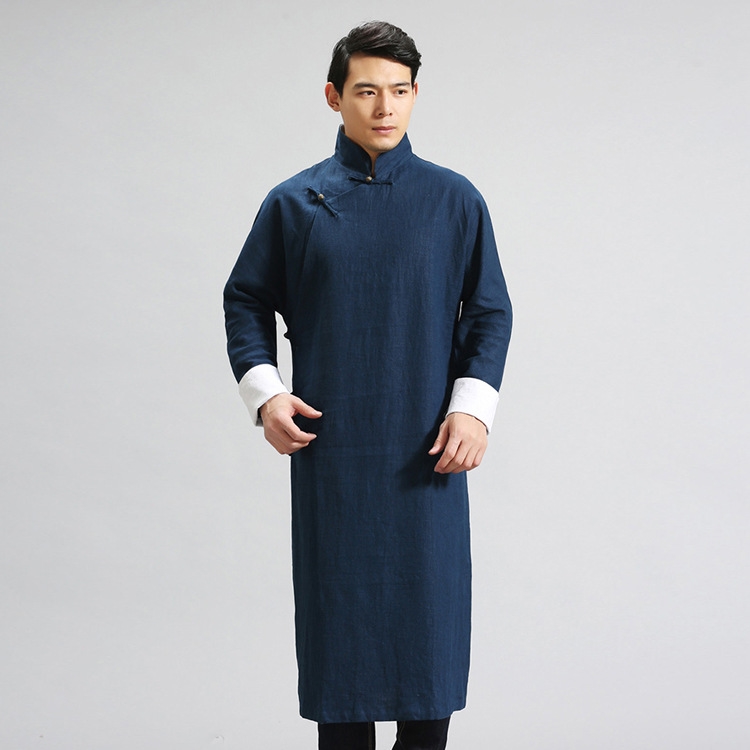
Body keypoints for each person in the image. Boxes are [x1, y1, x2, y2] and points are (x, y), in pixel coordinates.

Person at [224, 21, 512, 750]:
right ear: (334, 97)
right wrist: (267, 394)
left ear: (415, 95)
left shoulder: (454, 200)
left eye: (400, 91)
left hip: (427, 455)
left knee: (427, 659)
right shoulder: (295, 203)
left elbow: (489, 311)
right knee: (342, 672)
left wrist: (473, 410)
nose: (385, 107)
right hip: (337, 459)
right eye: (366, 91)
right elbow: (246, 298)